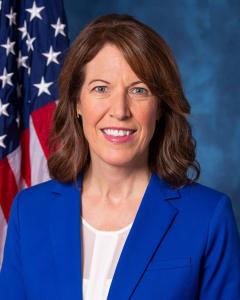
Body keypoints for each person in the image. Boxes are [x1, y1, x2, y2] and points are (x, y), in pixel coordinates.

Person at [0, 13, 240, 300]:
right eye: (101, 88)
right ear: (77, 102)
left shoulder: (208, 216)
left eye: (139, 90)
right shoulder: (30, 211)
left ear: (160, 107)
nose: (120, 110)